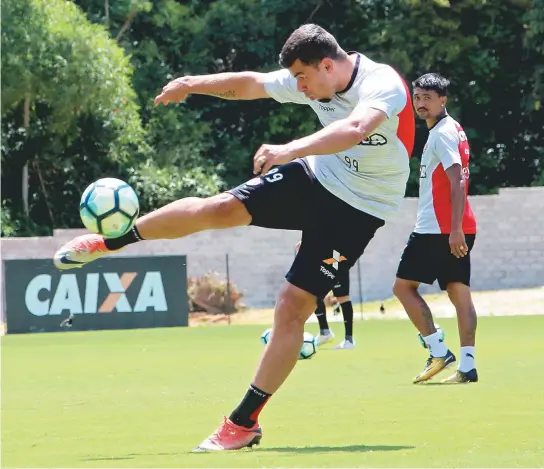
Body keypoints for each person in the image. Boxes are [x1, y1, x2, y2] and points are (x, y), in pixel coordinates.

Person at [54, 24, 415, 450]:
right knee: (220, 207)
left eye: (303, 78)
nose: (298, 87)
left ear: (327, 65)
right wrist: (191, 85)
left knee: (291, 307)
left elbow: (354, 129)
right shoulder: (310, 80)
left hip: (359, 210)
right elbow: (250, 84)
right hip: (317, 177)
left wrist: (291, 148)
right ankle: (110, 242)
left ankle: (243, 423)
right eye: (295, 80)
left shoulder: (382, 83)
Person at [393, 73, 478, 385]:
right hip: (458, 225)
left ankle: (438, 349)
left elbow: (457, 179)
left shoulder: (441, 133)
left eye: (427, 97)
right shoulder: (453, 129)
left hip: (438, 229)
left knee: (402, 287)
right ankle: (468, 365)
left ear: (443, 99)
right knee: (459, 292)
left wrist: (454, 229)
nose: (420, 103)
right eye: (417, 98)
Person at [295, 241, 355, 349]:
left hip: (337, 256)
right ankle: (325, 332)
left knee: (342, 297)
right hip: (322, 256)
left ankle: (349, 340)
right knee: (313, 293)